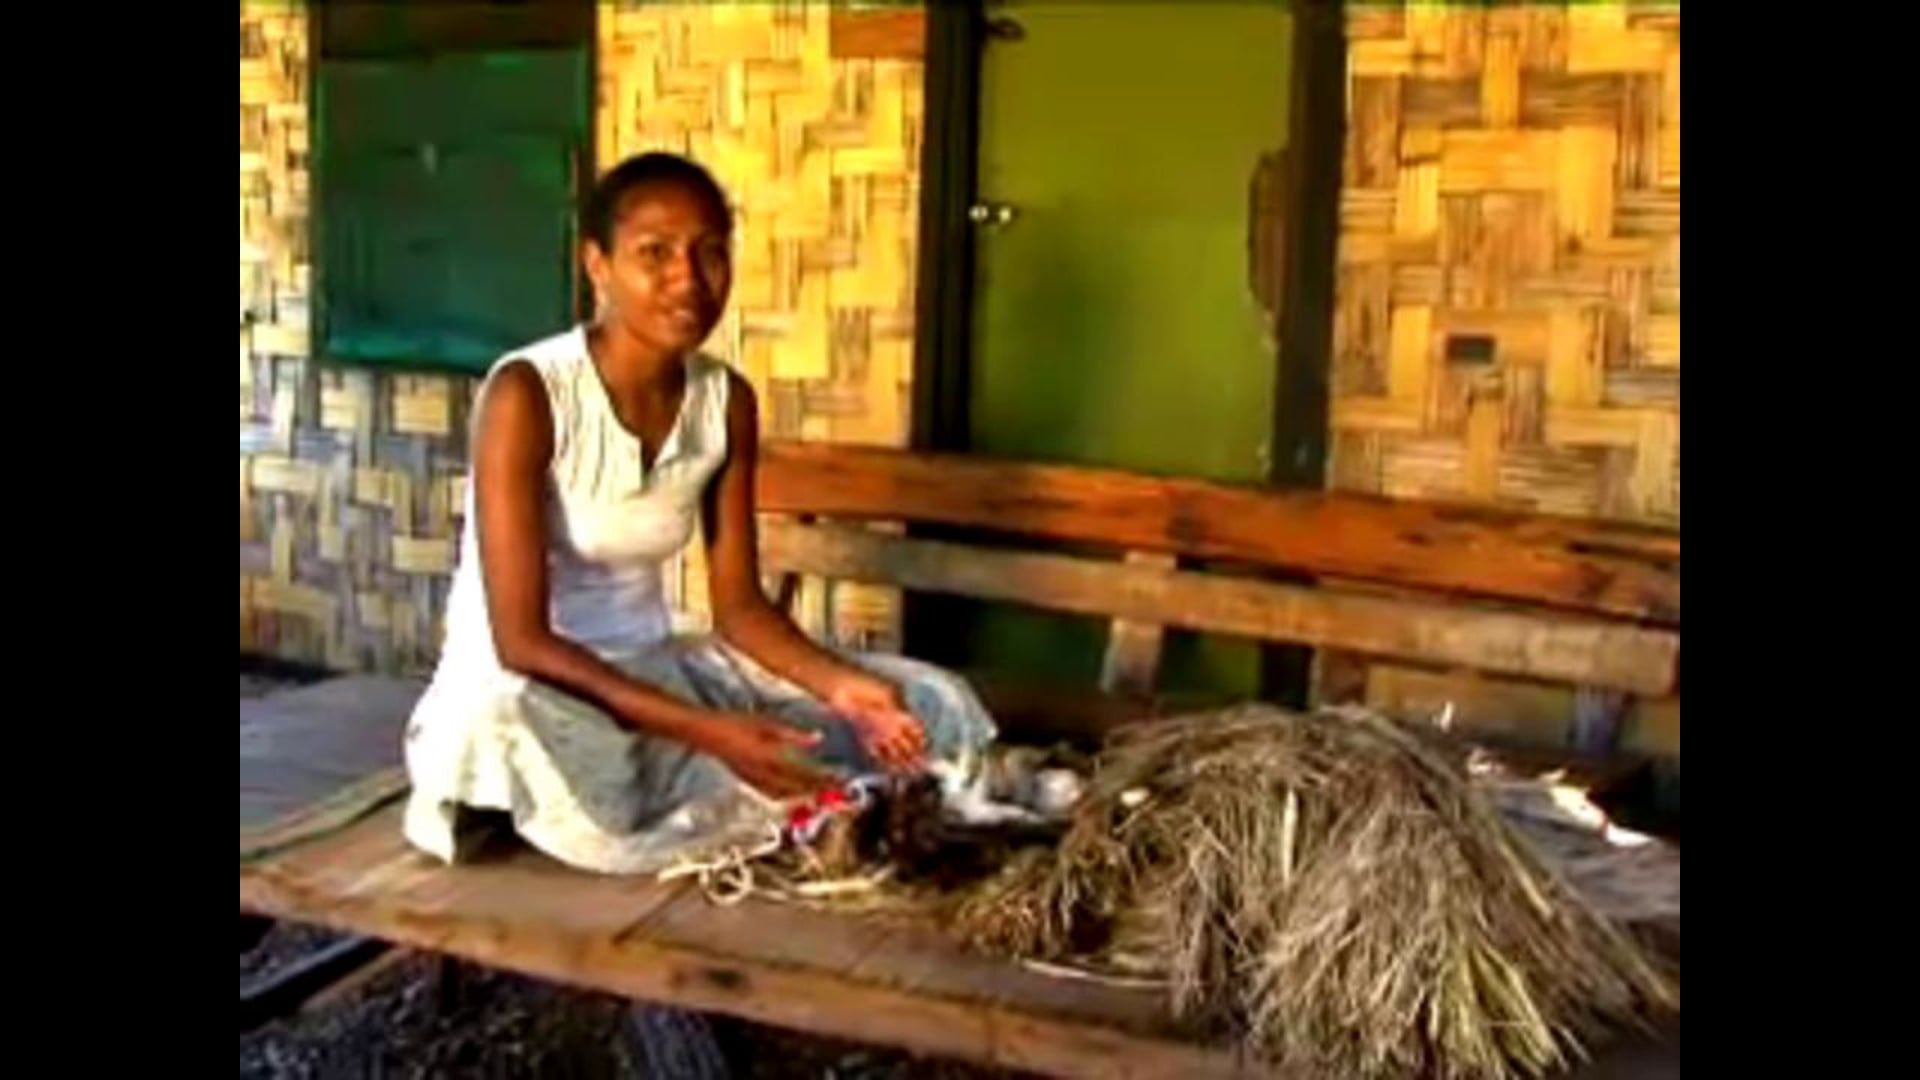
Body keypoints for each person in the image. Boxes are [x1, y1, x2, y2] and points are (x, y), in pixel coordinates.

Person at [401, 152, 996, 874]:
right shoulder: (528, 394)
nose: (688, 278)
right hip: (533, 693)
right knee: (549, 749)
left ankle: (805, 798)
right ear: (598, 264)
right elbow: (522, 641)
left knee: (930, 701)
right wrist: (709, 732)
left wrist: (841, 687)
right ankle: (810, 801)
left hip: (656, 674)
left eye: (710, 252)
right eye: (654, 253)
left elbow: (740, 610)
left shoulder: (725, 402)